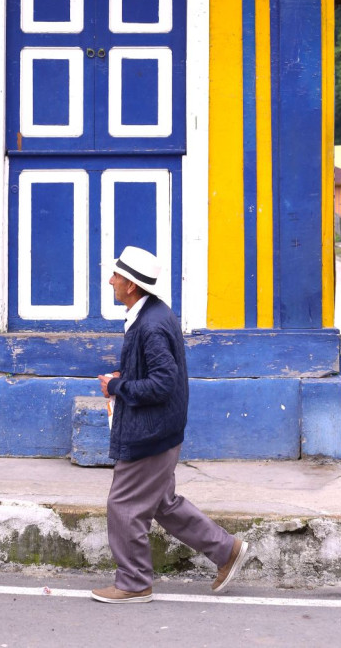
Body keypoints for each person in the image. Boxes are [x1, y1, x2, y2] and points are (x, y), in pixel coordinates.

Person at [91, 245, 249, 605]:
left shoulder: (151, 325)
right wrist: (127, 376)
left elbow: (163, 383)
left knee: (124, 504)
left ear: (131, 285)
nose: (111, 280)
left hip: (150, 432)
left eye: (116, 275)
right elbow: (159, 373)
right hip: (161, 427)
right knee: (163, 502)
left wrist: (118, 386)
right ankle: (227, 551)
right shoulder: (151, 315)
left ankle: (133, 583)